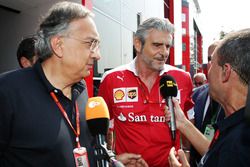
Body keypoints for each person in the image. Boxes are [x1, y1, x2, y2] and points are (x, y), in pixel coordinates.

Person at [0, 2, 148, 167]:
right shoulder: (7, 92)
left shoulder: (82, 91)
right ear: (58, 45)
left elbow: (78, 151)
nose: (98, 55)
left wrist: (110, 162)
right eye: (90, 44)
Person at [98, 17, 194, 167]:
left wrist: (187, 153)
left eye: (168, 46)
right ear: (138, 44)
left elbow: (189, 124)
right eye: (157, 45)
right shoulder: (111, 79)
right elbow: (102, 132)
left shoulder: (182, 78)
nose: (164, 52)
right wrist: (113, 160)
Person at [168, 28, 250, 167]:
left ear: (225, 71)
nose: (207, 69)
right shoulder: (236, 127)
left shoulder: (240, 143)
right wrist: (182, 122)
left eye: (212, 63)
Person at [190, 41, 225, 167]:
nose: (211, 62)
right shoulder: (196, 95)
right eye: (209, 58)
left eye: (216, 58)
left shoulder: (239, 99)